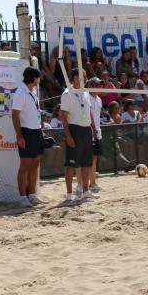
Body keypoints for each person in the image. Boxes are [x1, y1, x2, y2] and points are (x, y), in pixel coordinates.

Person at [60, 69, 99, 203]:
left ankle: (86, 191)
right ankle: (69, 193)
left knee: (87, 162)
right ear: (76, 78)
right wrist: (68, 135)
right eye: (83, 76)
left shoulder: (85, 92)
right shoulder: (67, 93)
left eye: (86, 76)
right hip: (74, 129)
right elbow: (63, 117)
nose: (86, 78)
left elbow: (89, 112)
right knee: (71, 163)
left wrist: (94, 129)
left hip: (86, 129)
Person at [12, 67, 47, 208]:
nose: (39, 80)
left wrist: (40, 127)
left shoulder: (32, 92)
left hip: (36, 131)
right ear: (33, 78)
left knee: (35, 163)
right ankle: (22, 197)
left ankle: (32, 195)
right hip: (26, 132)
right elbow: (14, 115)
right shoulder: (20, 92)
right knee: (25, 165)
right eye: (38, 77)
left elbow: (33, 113)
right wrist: (19, 136)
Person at [87, 78, 103, 193]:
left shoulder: (99, 99)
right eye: (97, 85)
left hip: (97, 130)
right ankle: (89, 183)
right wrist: (92, 129)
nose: (100, 87)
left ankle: (93, 182)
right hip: (90, 131)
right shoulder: (86, 98)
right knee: (90, 158)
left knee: (95, 157)